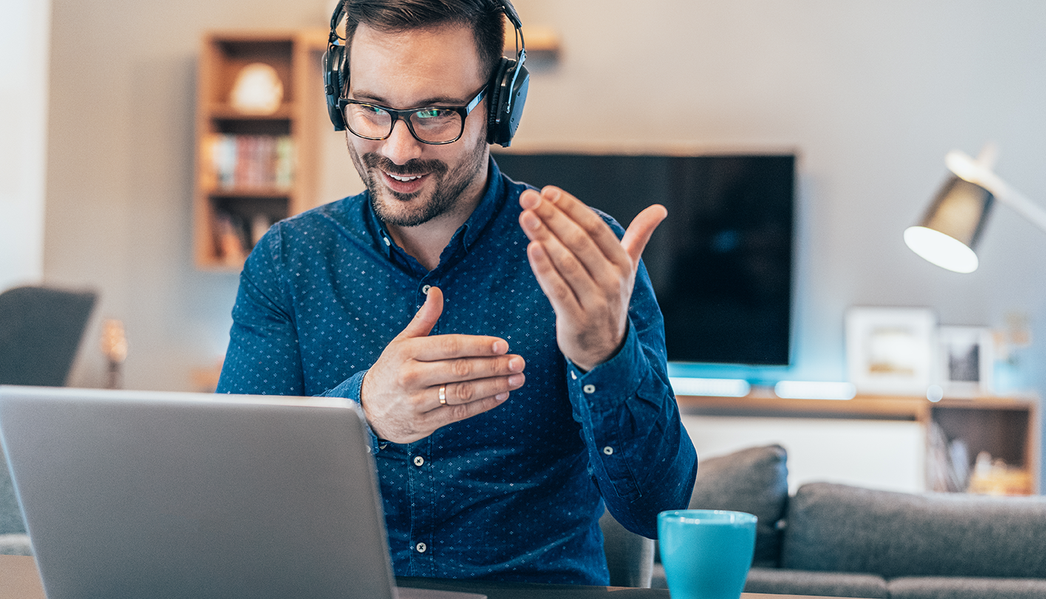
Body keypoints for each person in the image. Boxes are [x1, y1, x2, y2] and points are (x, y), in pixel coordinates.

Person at [217, 0, 696, 585]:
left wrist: (606, 353)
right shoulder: (288, 261)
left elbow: (656, 509)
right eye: (371, 108)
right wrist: (362, 413)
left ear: (498, 105)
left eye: (436, 112)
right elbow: (237, 492)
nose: (397, 150)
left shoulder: (589, 259)